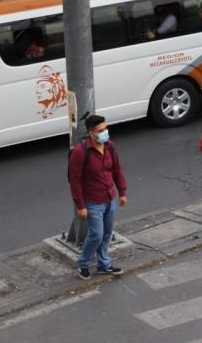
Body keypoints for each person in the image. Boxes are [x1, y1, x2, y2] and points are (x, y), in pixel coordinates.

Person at [68, 114, 127, 280]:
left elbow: (117, 169)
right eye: (101, 130)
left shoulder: (109, 146)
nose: (105, 133)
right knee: (97, 235)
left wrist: (122, 192)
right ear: (91, 133)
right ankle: (84, 264)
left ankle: (104, 264)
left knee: (107, 233)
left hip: (109, 198)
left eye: (106, 128)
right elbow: (75, 181)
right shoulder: (80, 152)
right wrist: (80, 206)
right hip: (92, 202)